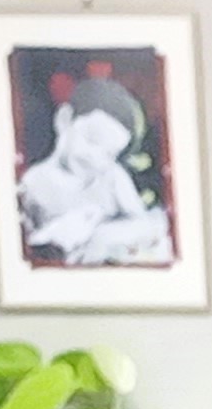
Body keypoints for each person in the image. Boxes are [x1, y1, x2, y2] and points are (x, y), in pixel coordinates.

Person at [17, 75, 175, 268]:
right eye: (92, 139)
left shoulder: (112, 176)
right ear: (64, 120)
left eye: (109, 154)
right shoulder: (32, 184)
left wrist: (102, 236)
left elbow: (145, 224)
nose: (95, 156)